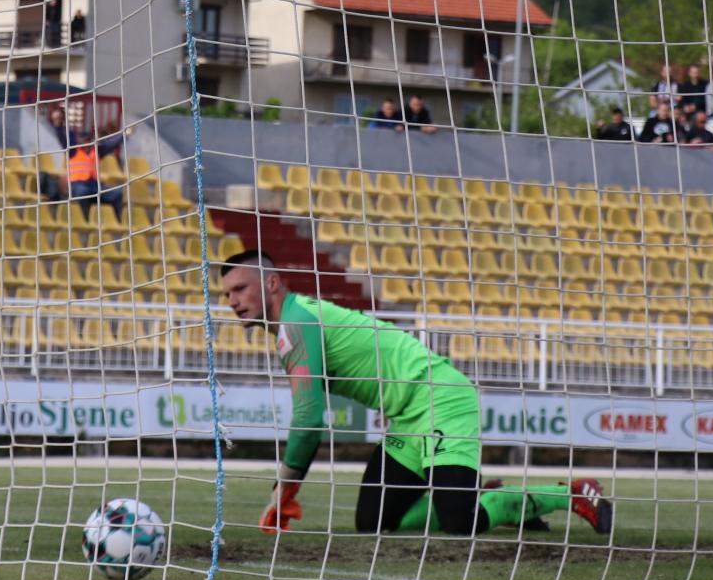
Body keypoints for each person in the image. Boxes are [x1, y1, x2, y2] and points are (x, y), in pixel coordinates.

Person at [218, 251, 611, 540]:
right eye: (227, 294)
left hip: (440, 397)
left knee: (459, 524)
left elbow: (308, 416)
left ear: (271, 283)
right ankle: (471, 492)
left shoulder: (297, 323)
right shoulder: (293, 323)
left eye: (240, 288)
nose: (233, 301)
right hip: (407, 416)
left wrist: (285, 487)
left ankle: (565, 495)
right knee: (374, 524)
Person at [40, 106, 130, 218]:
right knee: (83, 193)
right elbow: (62, 138)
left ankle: (118, 220)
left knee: (117, 194)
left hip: (95, 185)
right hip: (77, 185)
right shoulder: (73, 150)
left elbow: (112, 144)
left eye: (88, 139)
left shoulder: (97, 151)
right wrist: (58, 125)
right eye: (83, 139)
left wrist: (124, 135)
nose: (86, 142)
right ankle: (85, 219)